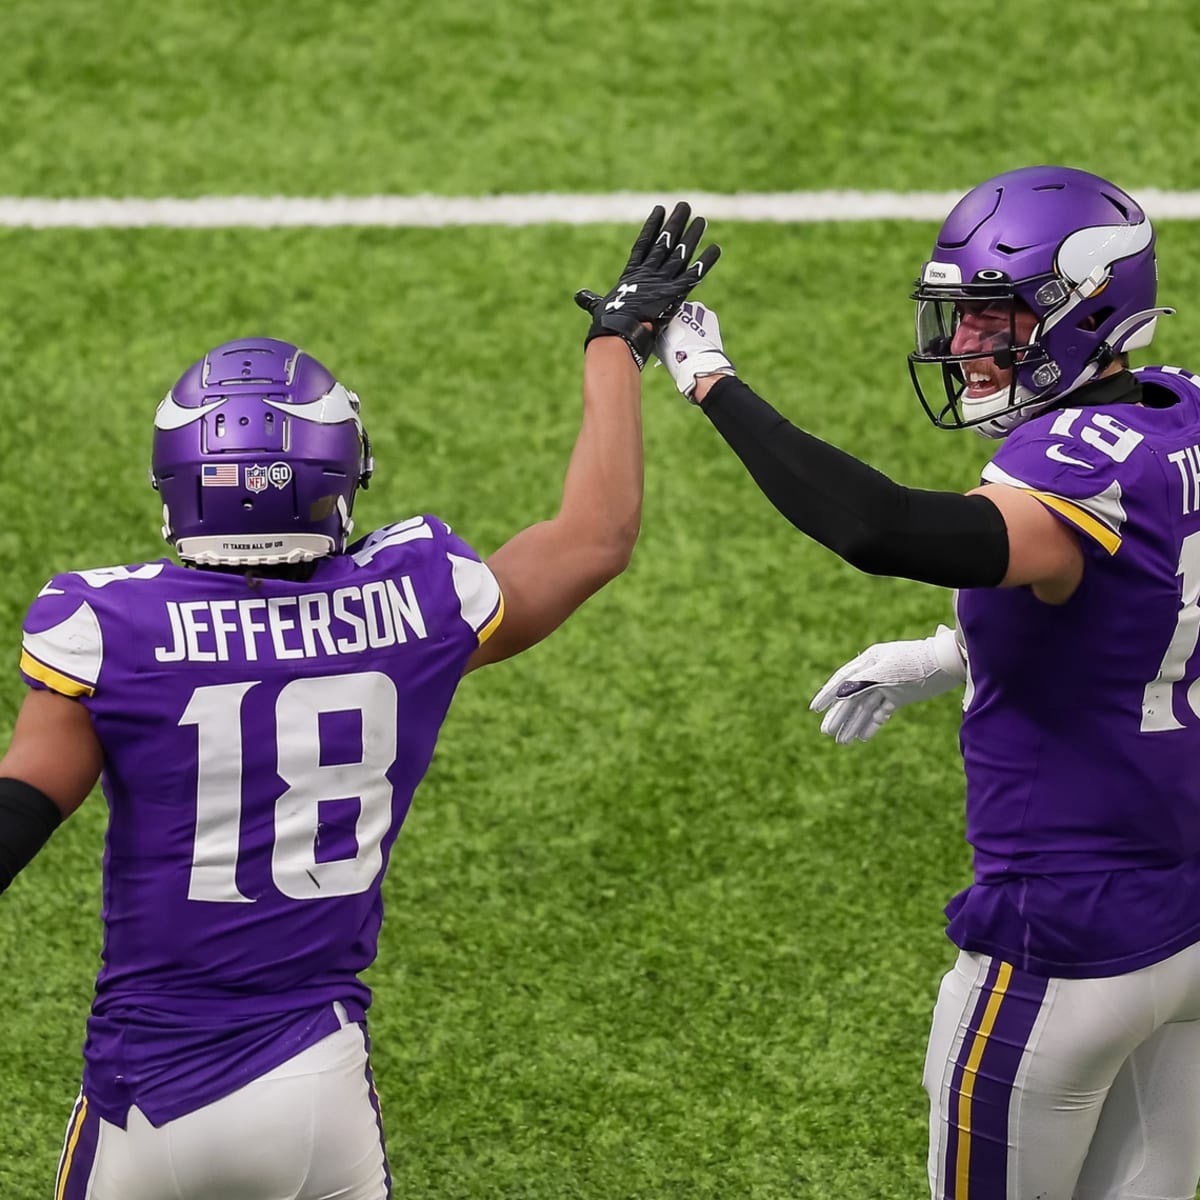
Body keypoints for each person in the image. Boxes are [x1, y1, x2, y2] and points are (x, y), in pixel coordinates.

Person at [0, 201, 719, 1200]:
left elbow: (20, 810)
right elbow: (594, 537)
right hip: (314, 1086)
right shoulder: (413, 601)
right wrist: (615, 344)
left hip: (146, 1096)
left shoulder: (107, 627)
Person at [654, 166, 1200, 1198]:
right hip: (1189, 919)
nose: (964, 346)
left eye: (994, 318)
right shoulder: (1186, 415)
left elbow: (885, 528)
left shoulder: (1076, 464)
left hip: (1066, 932)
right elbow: (1156, 607)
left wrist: (710, 380)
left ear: (1085, 308)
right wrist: (955, 656)